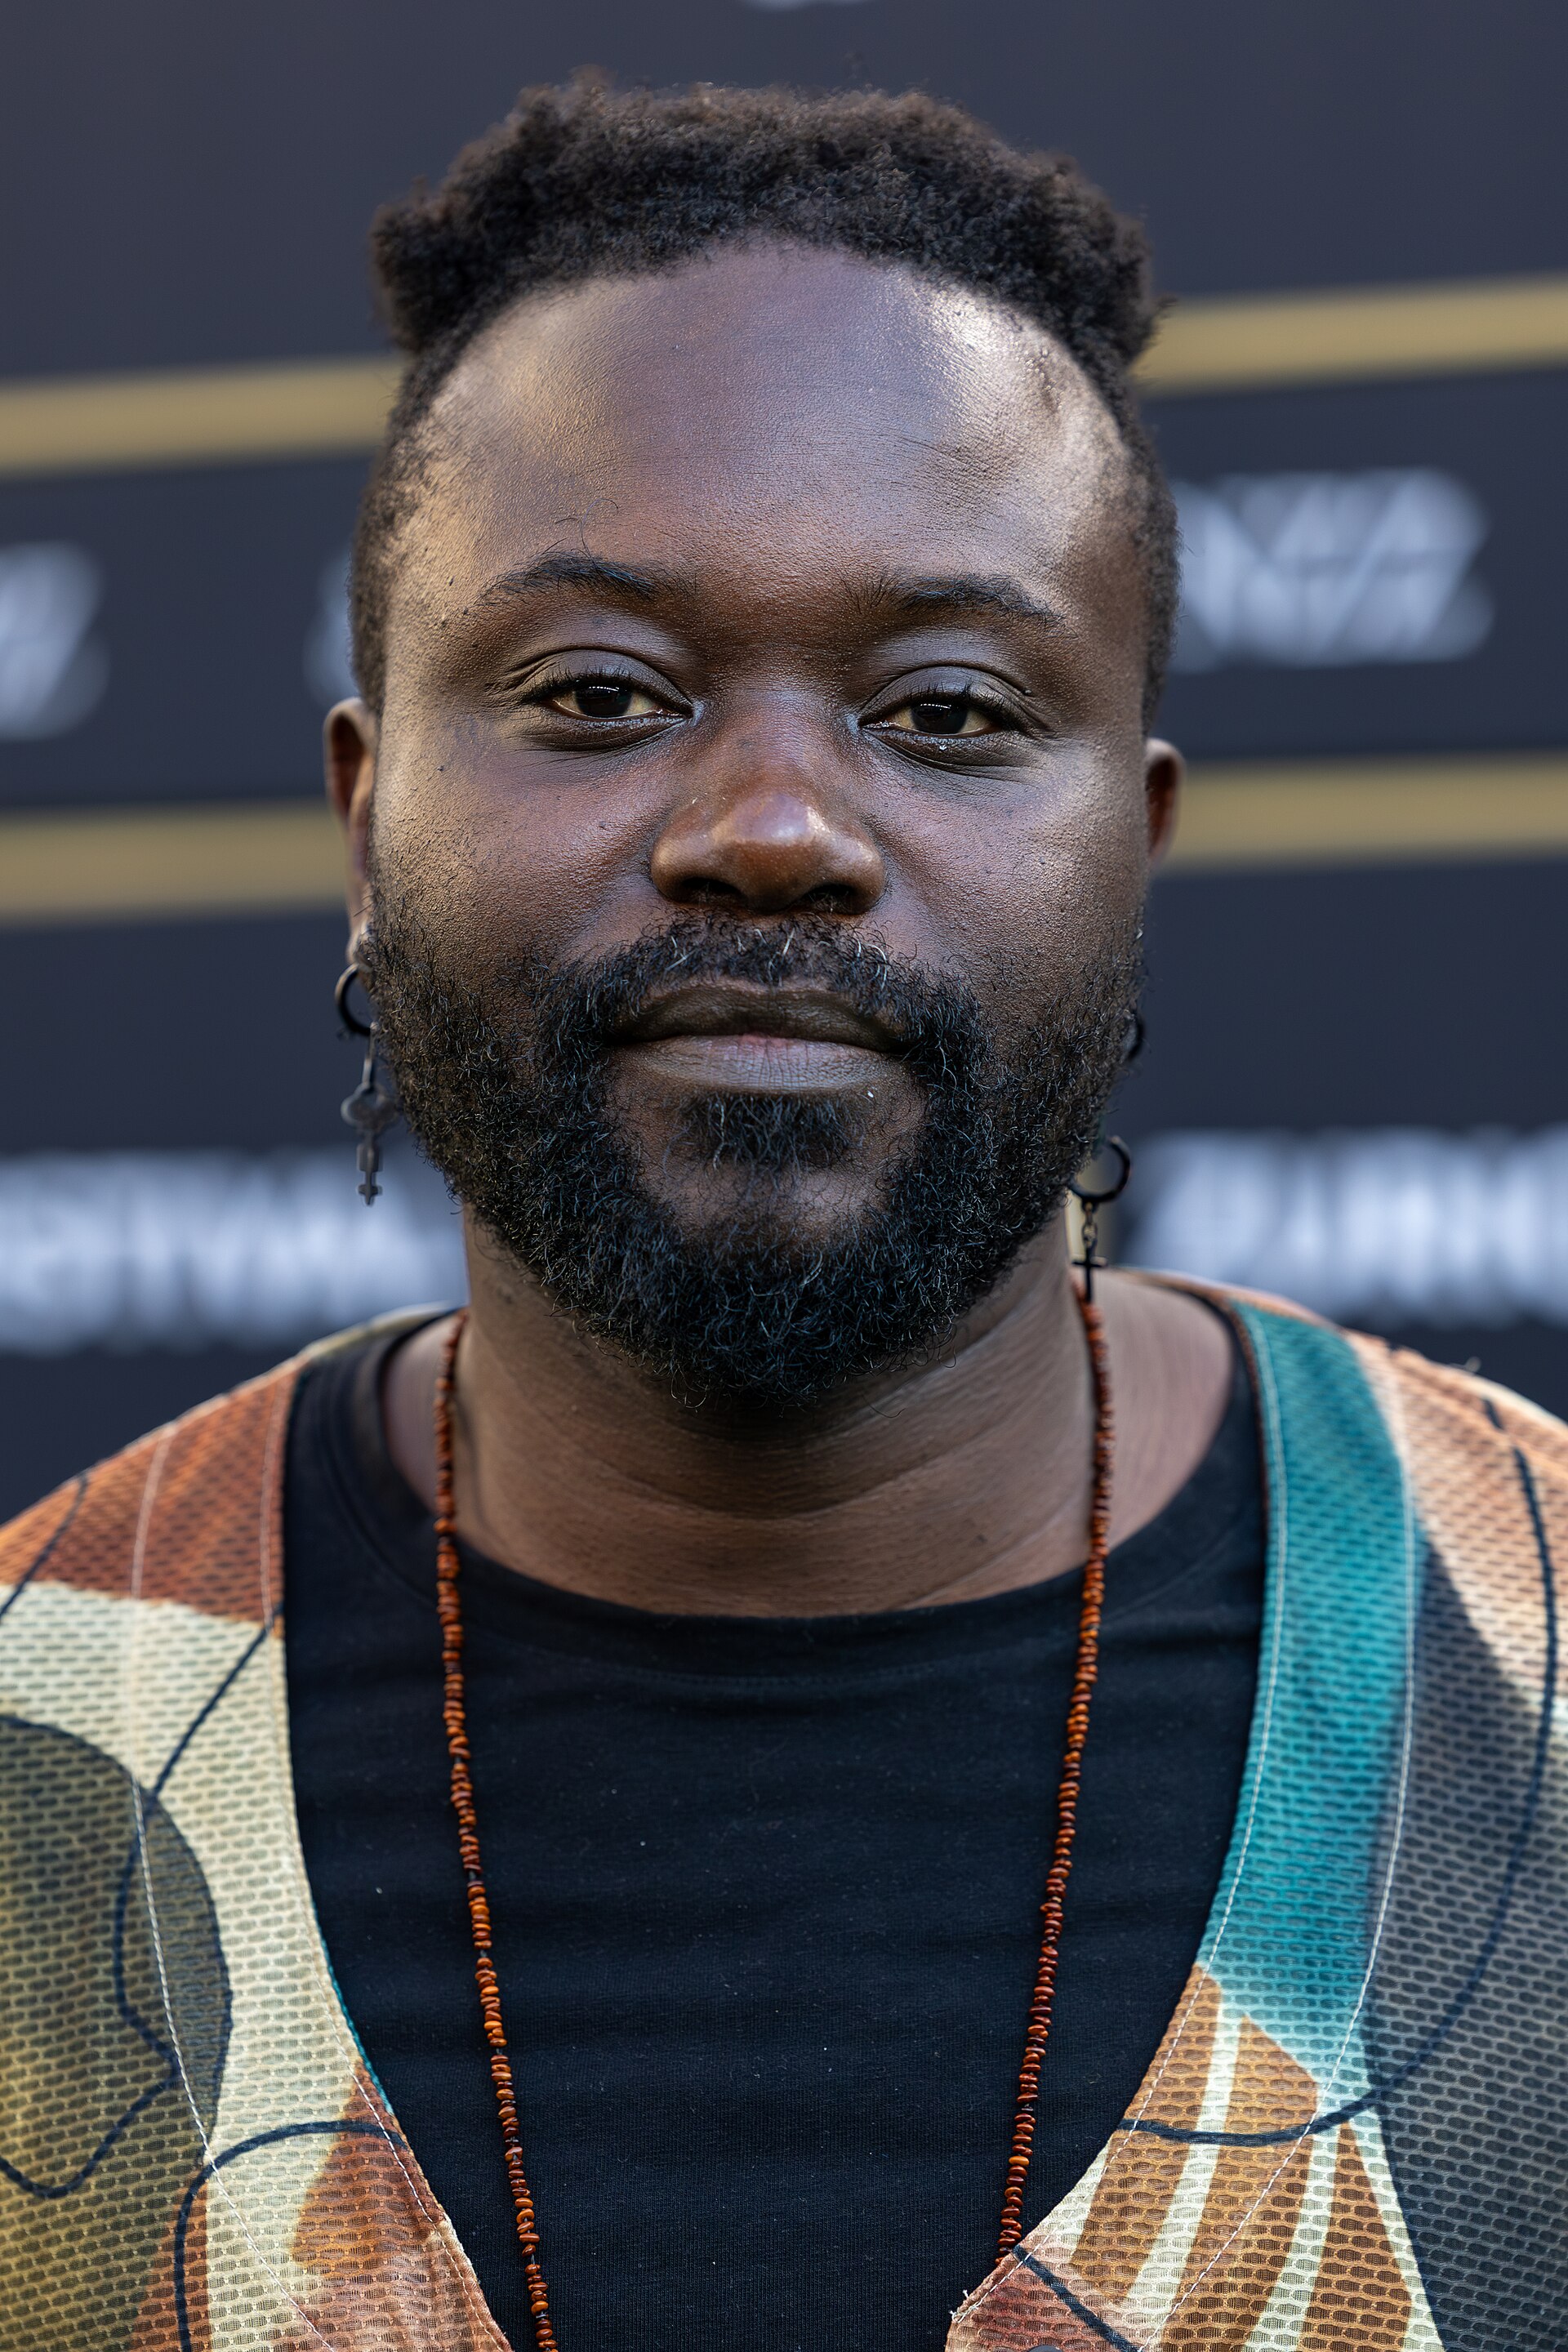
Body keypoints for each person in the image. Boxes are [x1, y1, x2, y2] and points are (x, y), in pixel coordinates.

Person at [2, 78, 1562, 2352]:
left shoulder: (1522, 1691)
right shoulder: (41, 1747)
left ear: (1133, 847)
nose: (768, 825)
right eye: (599, 692)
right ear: (366, 819)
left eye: (944, 710)